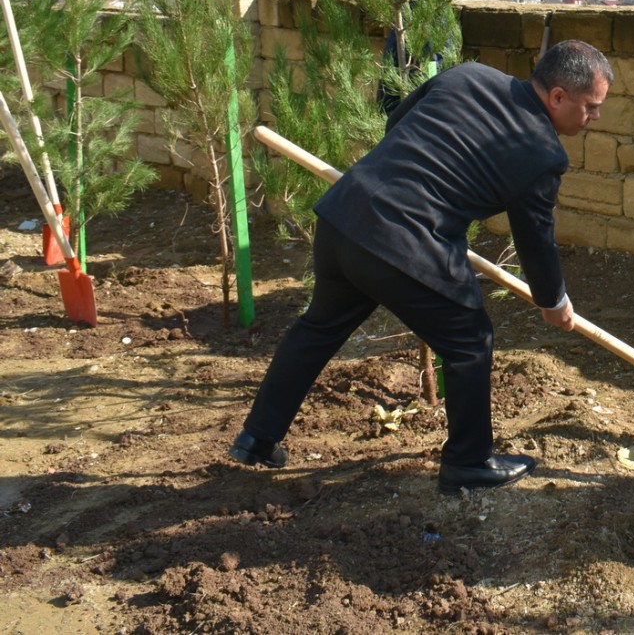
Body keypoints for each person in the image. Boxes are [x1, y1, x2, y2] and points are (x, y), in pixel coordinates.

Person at [229, 39, 613, 494]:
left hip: (346, 215)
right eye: (591, 107)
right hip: (403, 240)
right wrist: (553, 301)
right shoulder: (542, 153)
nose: (595, 118)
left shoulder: (468, 74)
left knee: (319, 327)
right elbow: (535, 239)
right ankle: (469, 463)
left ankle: (257, 439)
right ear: (557, 97)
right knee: (470, 341)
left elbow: (397, 121)